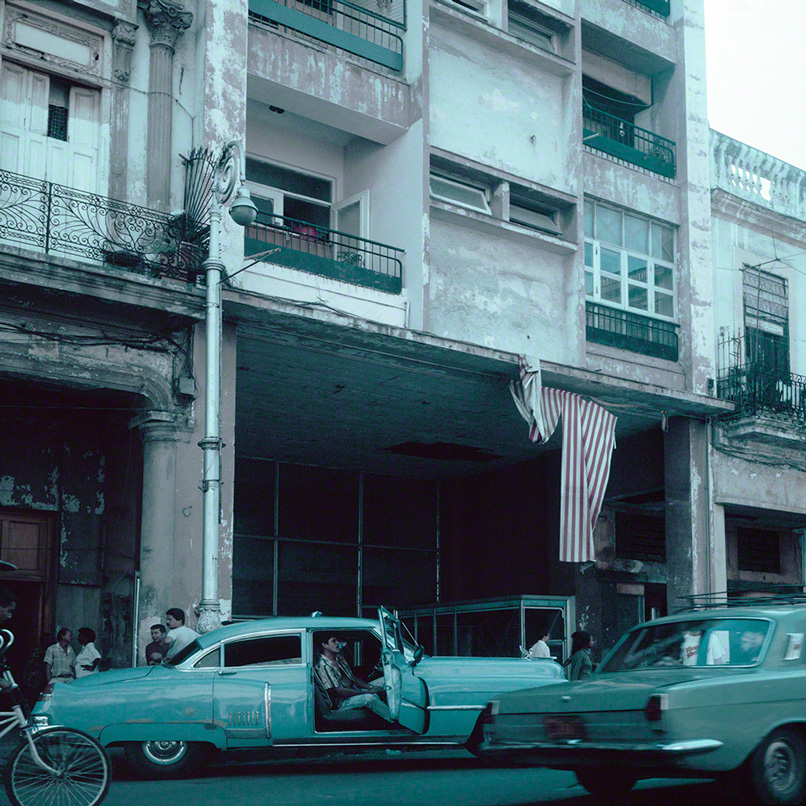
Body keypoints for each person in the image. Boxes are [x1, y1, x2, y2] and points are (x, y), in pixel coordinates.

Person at [314, 634, 393, 722]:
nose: (338, 643)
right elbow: (338, 691)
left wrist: (370, 687)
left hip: (355, 689)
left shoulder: (339, 658)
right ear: (325, 645)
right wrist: (366, 692)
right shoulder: (324, 666)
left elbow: (352, 677)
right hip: (343, 702)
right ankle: (393, 720)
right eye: (334, 641)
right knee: (370, 698)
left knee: (388, 681)